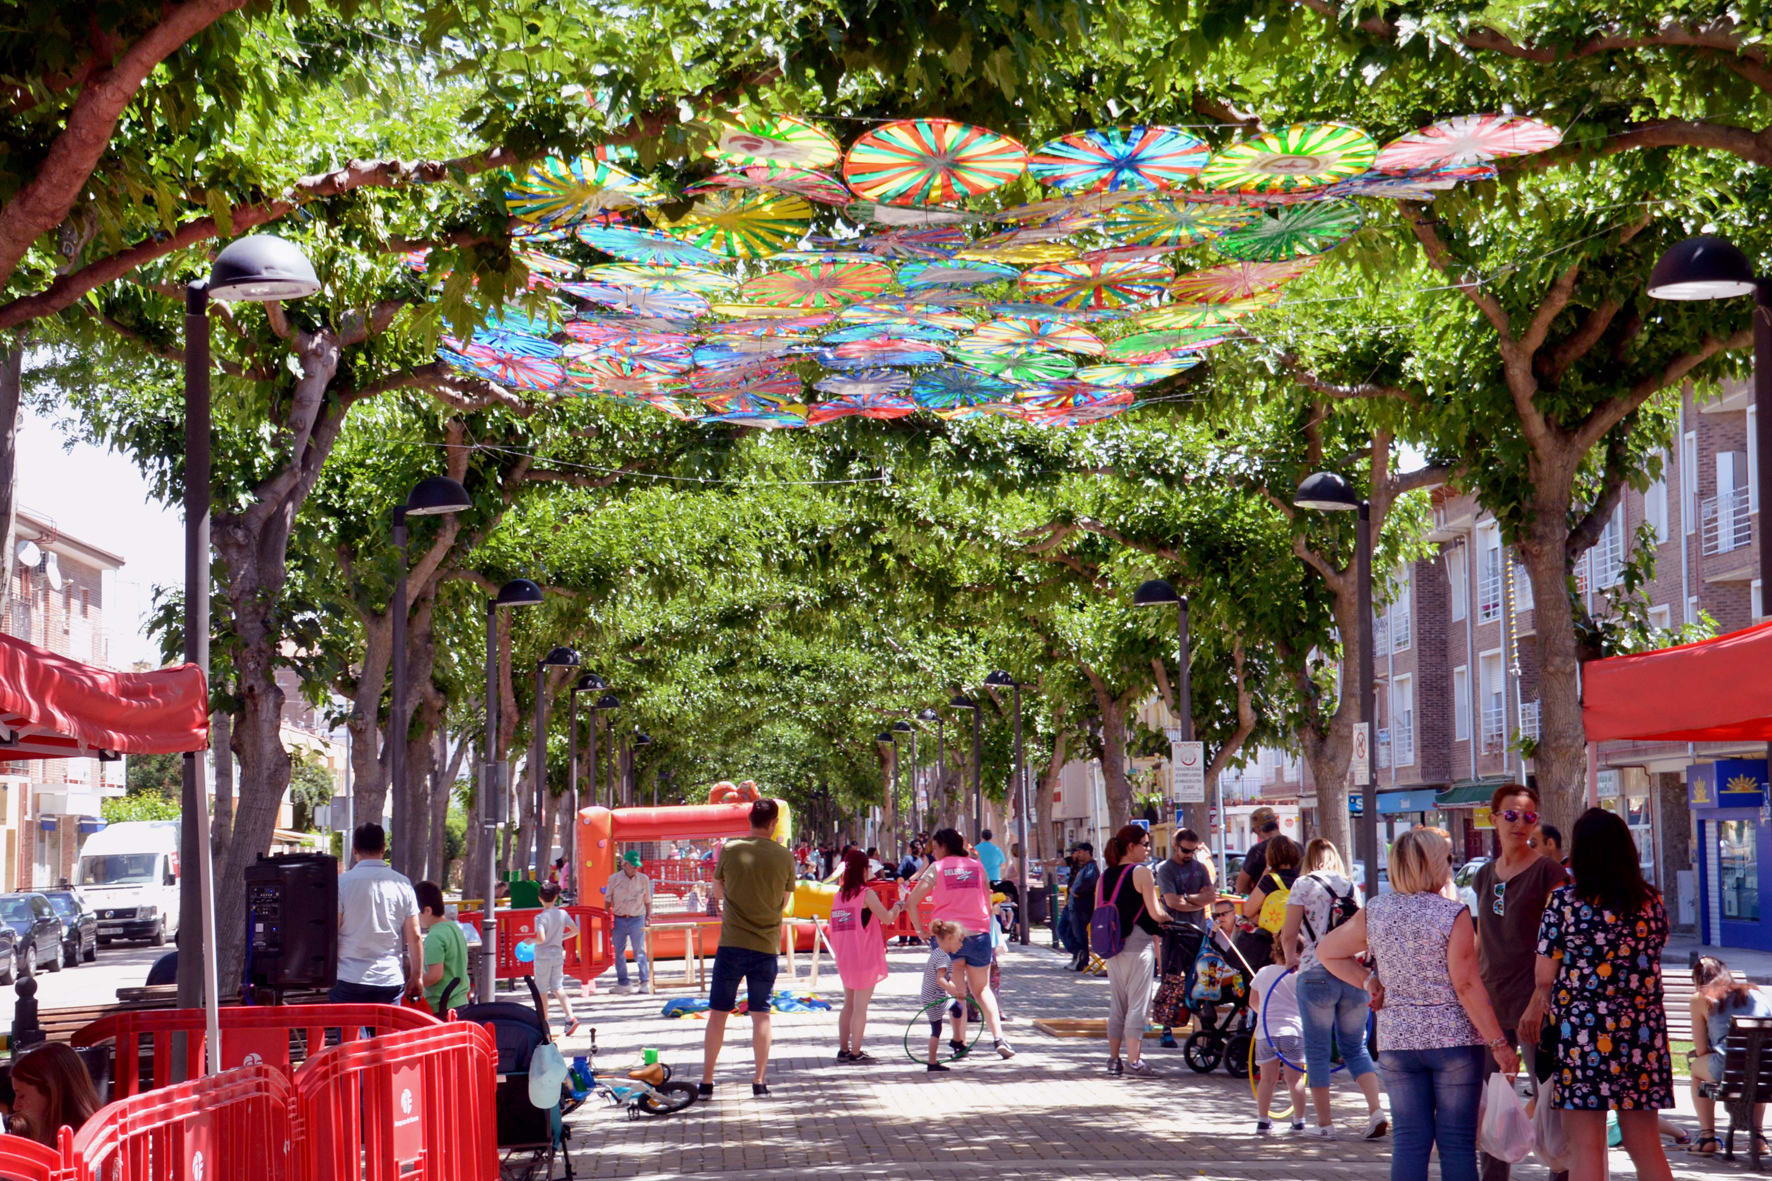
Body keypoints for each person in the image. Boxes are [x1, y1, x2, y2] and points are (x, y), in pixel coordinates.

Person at [1319, 827, 1518, 1181]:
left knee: (1410, 1142)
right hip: (1453, 1042)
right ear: (1434, 864)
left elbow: (1327, 952)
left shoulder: (1375, 911)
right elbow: (1467, 985)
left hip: (1398, 1041)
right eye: (1447, 860)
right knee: (1456, 1143)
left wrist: (1368, 981)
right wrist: (1499, 1043)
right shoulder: (1451, 914)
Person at [1524, 808, 1676, 1181]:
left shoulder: (1564, 903)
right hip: (1642, 1035)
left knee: (1586, 1146)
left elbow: (1544, 975)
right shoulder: (1652, 904)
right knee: (1646, 1144)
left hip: (1582, 1036)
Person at [1470, 784, 1568, 1181]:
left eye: (1529, 816)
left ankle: (1562, 1173)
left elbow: (1562, 939)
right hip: (1492, 1004)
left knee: (1550, 1100)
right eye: (1511, 815)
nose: (1520, 823)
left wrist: (1540, 1000)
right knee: (1495, 1101)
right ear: (1493, 819)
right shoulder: (1483, 875)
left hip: (1536, 1004)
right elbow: (1481, 941)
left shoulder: (1549, 872)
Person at [1280, 835, 1385, 1141]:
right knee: (1355, 1047)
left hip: (1315, 972)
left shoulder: (1302, 885)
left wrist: (1290, 958)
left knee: (1317, 1050)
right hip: (1351, 973)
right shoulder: (1349, 886)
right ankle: (1376, 1111)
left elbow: (1289, 933)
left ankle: (1325, 1124)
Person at [701, 798, 798, 1098]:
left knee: (718, 1014)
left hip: (731, 944)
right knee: (761, 1014)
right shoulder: (785, 857)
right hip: (766, 946)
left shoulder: (730, 849)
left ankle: (706, 1081)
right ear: (774, 823)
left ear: (749, 819)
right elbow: (785, 900)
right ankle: (759, 1081)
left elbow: (718, 890)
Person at [900, 827, 1014, 1059]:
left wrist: (920, 930)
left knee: (957, 992)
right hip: (979, 933)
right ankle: (999, 1038)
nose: (933, 852)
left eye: (935, 847)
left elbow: (912, 901)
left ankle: (959, 1042)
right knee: (982, 990)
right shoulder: (976, 866)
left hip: (948, 936)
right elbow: (987, 900)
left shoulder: (937, 868)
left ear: (944, 846)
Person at [1096, 824, 1172, 1077]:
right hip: (1138, 945)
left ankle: (1113, 1059)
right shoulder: (1141, 873)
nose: (1148, 849)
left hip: (1112, 947)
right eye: (1145, 844)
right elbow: (1155, 913)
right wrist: (1169, 917)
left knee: (1117, 1005)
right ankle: (1135, 1061)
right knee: (1138, 1005)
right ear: (1131, 846)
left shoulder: (1104, 876)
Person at [1687, 955, 1772, 1155]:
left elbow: (1701, 1050)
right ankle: (1758, 1137)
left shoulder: (1700, 998)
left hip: (1727, 1069)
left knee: (1696, 1069)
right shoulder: (1755, 994)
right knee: (1755, 1065)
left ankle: (1707, 1138)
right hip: (1766, 1070)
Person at [332, 823, 423, 1004]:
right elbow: (415, 936)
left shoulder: (341, 883)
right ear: (383, 848)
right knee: (386, 1025)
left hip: (349, 976)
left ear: (354, 849)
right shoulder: (403, 884)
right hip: (389, 978)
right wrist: (417, 976)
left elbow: (332, 933)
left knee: (351, 1025)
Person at [828, 848, 892, 1064]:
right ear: (864, 870)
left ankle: (843, 1049)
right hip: (864, 956)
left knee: (848, 1004)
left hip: (845, 956)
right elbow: (886, 917)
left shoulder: (839, 896)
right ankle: (856, 1052)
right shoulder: (866, 894)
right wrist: (899, 907)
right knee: (860, 1007)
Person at [1156, 828, 1215, 1047]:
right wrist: (1197, 901)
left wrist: (1187, 898)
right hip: (1174, 932)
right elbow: (1172, 902)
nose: (1189, 855)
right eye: (1185, 850)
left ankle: (1202, 1029)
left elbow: (1211, 896)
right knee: (1170, 980)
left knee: (1201, 980)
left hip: (1198, 932)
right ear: (1175, 846)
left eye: (1192, 851)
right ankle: (1166, 1029)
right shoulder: (1166, 870)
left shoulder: (1200, 868)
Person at [1250, 940, 1308, 1134]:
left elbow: (1253, 1002)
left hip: (1266, 1032)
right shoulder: (1301, 975)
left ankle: (1262, 1121)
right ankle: (1299, 1121)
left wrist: (1266, 1013)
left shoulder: (1263, 972)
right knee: (1295, 1079)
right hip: (1293, 1032)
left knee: (1267, 1079)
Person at [6, 1043, 100, 1148]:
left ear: (51, 1091)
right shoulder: (93, 1134)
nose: (15, 1106)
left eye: (21, 1096)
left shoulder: (73, 1147)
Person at [1241, 834, 1302, 967]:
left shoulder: (1270, 880)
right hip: (1297, 942)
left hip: (1271, 945)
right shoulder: (1302, 880)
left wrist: (1265, 873)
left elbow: (1248, 910)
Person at [919, 920, 969, 1071]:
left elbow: (944, 978)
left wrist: (951, 986)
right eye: (959, 940)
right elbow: (940, 979)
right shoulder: (943, 958)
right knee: (936, 1030)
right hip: (934, 998)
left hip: (934, 995)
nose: (961, 945)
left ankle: (956, 1040)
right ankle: (932, 1062)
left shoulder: (938, 953)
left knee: (957, 1008)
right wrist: (955, 992)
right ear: (949, 938)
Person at [532, 883, 582, 1036]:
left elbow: (541, 939)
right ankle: (570, 1017)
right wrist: (562, 937)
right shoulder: (562, 914)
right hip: (557, 954)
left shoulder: (540, 917)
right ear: (555, 897)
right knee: (558, 987)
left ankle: (545, 1022)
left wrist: (529, 940)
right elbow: (575, 931)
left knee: (542, 990)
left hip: (542, 956)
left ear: (540, 899)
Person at [415, 880, 468, 1013]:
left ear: (427, 910)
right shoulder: (454, 928)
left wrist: (414, 983)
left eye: (415, 913)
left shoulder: (434, 937)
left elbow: (434, 975)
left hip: (442, 1004)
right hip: (461, 1000)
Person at [605, 851, 653, 992]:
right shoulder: (614, 879)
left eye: (637, 866)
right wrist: (608, 919)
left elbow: (647, 900)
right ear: (624, 864)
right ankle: (624, 983)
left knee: (640, 950)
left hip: (637, 918)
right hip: (618, 918)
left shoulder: (643, 879)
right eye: (633, 865)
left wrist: (648, 917)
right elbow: (608, 900)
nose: (635, 868)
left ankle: (644, 982)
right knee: (618, 951)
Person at [1065, 842, 1099, 971]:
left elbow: (1090, 882)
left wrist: (1078, 892)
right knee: (1068, 932)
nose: (1078, 855)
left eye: (1080, 852)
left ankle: (1082, 960)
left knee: (1079, 934)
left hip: (1082, 906)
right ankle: (1078, 956)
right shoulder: (1083, 867)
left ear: (1087, 852)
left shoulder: (1091, 867)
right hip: (1075, 905)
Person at [1234, 807, 1281, 896]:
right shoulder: (1298, 847)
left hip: (1266, 902)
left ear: (1259, 830)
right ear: (1276, 824)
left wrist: (1256, 894)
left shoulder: (1257, 851)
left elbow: (1240, 887)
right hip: (1294, 902)